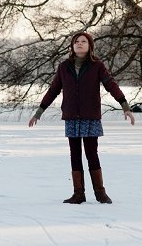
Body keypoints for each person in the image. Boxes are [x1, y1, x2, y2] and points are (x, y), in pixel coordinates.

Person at [28, 31, 135, 204]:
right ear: (72, 45)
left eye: (83, 41)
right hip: (71, 117)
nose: (79, 43)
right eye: (76, 41)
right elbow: (53, 90)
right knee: (75, 154)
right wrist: (39, 112)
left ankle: (100, 193)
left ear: (89, 45)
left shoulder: (97, 66)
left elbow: (111, 85)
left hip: (90, 117)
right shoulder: (64, 67)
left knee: (92, 153)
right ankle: (78, 194)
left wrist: (125, 106)